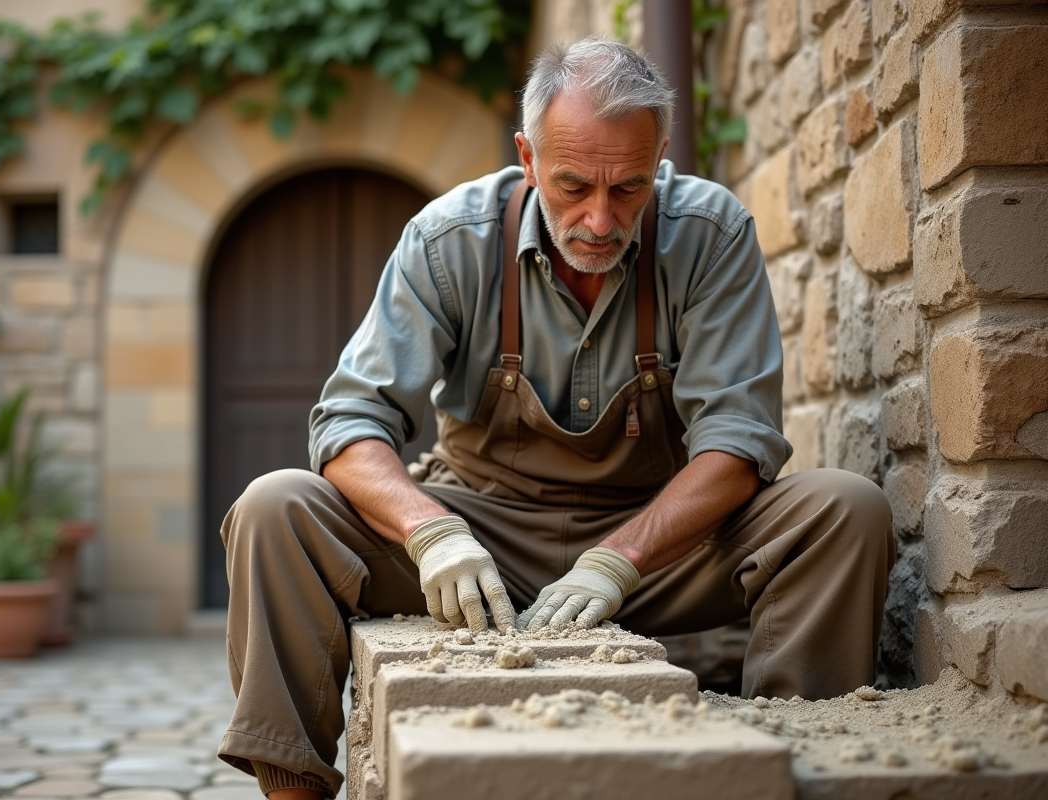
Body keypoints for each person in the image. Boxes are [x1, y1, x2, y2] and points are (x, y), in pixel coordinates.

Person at [216, 38, 895, 799]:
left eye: (629, 189)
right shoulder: (451, 241)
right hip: (479, 548)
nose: (601, 220)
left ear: (660, 156)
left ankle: (789, 767)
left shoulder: (709, 235)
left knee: (845, 508)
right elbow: (349, 419)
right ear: (528, 157)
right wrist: (430, 533)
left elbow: (737, 443)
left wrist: (619, 559)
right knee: (275, 506)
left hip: (659, 548)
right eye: (573, 186)